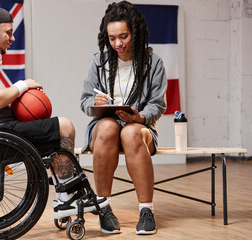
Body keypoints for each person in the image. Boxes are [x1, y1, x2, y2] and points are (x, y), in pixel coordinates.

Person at [0, 7, 108, 220]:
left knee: (53, 129)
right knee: (64, 126)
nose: (12, 37)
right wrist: (23, 85)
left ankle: (67, 192)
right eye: (8, 32)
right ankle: (67, 197)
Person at [80, 1, 167, 235]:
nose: (117, 43)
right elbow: (85, 101)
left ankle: (146, 210)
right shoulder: (99, 61)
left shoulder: (153, 63)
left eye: (123, 36)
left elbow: (157, 103)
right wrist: (94, 103)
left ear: (135, 32)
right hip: (104, 130)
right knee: (108, 127)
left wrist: (140, 118)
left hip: (139, 129)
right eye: (112, 38)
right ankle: (103, 208)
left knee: (129, 132)